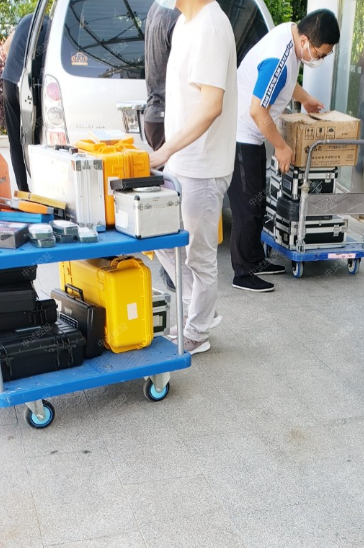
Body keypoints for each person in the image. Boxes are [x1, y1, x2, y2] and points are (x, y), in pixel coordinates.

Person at [228, 9, 340, 292]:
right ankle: (243, 273)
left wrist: (306, 98)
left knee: (257, 202)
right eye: (319, 53)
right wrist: (281, 146)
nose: (319, 59)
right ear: (305, 41)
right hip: (240, 135)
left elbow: (285, 81)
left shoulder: (290, 35)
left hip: (251, 135)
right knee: (247, 208)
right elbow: (257, 110)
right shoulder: (277, 57)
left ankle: (255, 260)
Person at [148, 0, 237, 355]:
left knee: (199, 256)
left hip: (203, 165)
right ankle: (198, 310)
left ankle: (197, 331)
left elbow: (211, 105)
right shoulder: (185, 24)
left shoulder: (211, 25)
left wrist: (164, 150)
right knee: (160, 239)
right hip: (180, 162)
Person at [143, 2, 180, 292]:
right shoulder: (178, 16)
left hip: (154, 114)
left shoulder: (156, 8)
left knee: (167, 195)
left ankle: (171, 270)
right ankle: (172, 272)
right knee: (173, 201)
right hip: (168, 116)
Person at [1, 13, 49, 192]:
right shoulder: (52, 28)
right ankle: (41, 187)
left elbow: (6, 47)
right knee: (36, 137)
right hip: (28, 86)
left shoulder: (27, 19)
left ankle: (23, 189)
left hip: (9, 80)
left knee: (15, 140)